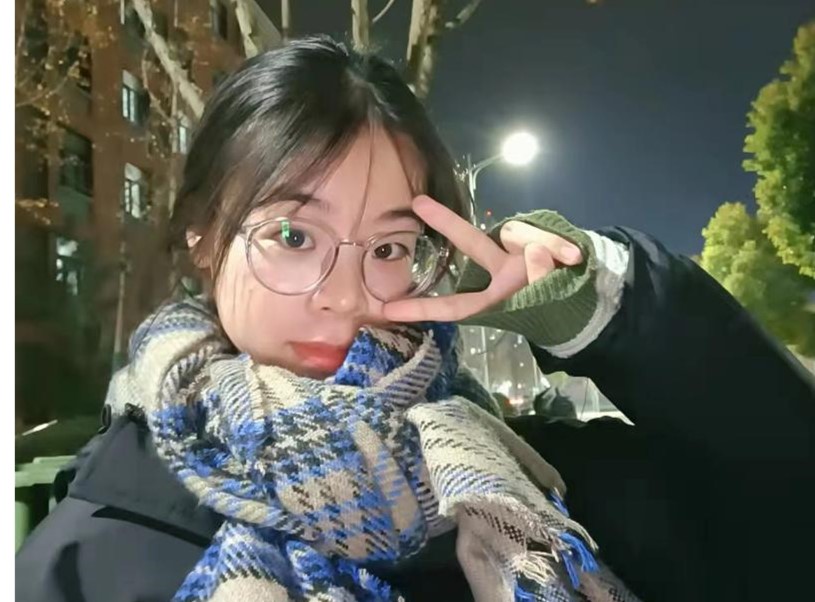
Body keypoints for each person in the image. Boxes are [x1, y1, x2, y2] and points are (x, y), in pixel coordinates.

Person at [16, 36, 815, 602]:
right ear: (202, 237)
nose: (345, 295)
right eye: (293, 236)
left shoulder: (547, 490)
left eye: (389, 246)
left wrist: (601, 304)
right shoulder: (92, 556)